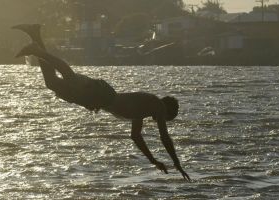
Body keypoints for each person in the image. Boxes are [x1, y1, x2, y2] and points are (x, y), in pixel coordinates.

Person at [13, 24, 190, 181]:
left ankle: (35, 35)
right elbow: (164, 137)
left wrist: (153, 161)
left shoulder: (142, 111)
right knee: (70, 77)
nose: (161, 121)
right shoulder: (157, 104)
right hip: (102, 93)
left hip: (96, 100)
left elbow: (135, 136)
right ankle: (38, 51)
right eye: (166, 119)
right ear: (166, 110)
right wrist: (177, 164)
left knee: (51, 82)